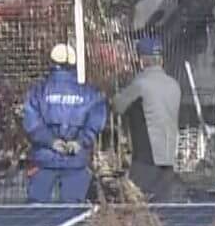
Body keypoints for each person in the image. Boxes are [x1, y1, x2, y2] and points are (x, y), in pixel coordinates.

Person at [22, 43, 106, 204]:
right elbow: (95, 122)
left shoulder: (38, 91)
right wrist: (80, 141)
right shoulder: (90, 93)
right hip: (76, 161)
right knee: (73, 210)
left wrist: (51, 141)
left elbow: (31, 123)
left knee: (35, 211)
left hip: (44, 159)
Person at [111, 35, 182, 201]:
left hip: (146, 158)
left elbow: (118, 106)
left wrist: (116, 94)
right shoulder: (174, 85)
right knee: (163, 205)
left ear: (142, 61)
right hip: (168, 156)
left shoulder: (141, 84)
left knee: (138, 203)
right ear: (161, 60)